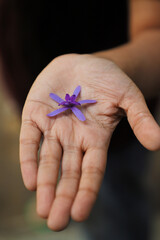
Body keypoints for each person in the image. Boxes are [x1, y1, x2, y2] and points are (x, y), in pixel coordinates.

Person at [0, 0, 160, 239]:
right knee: (47, 148)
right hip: (31, 87)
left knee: (113, 194)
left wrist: (109, 66)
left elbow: (154, 31)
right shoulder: (57, 104)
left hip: (111, 121)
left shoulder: (76, 106)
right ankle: (54, 190)